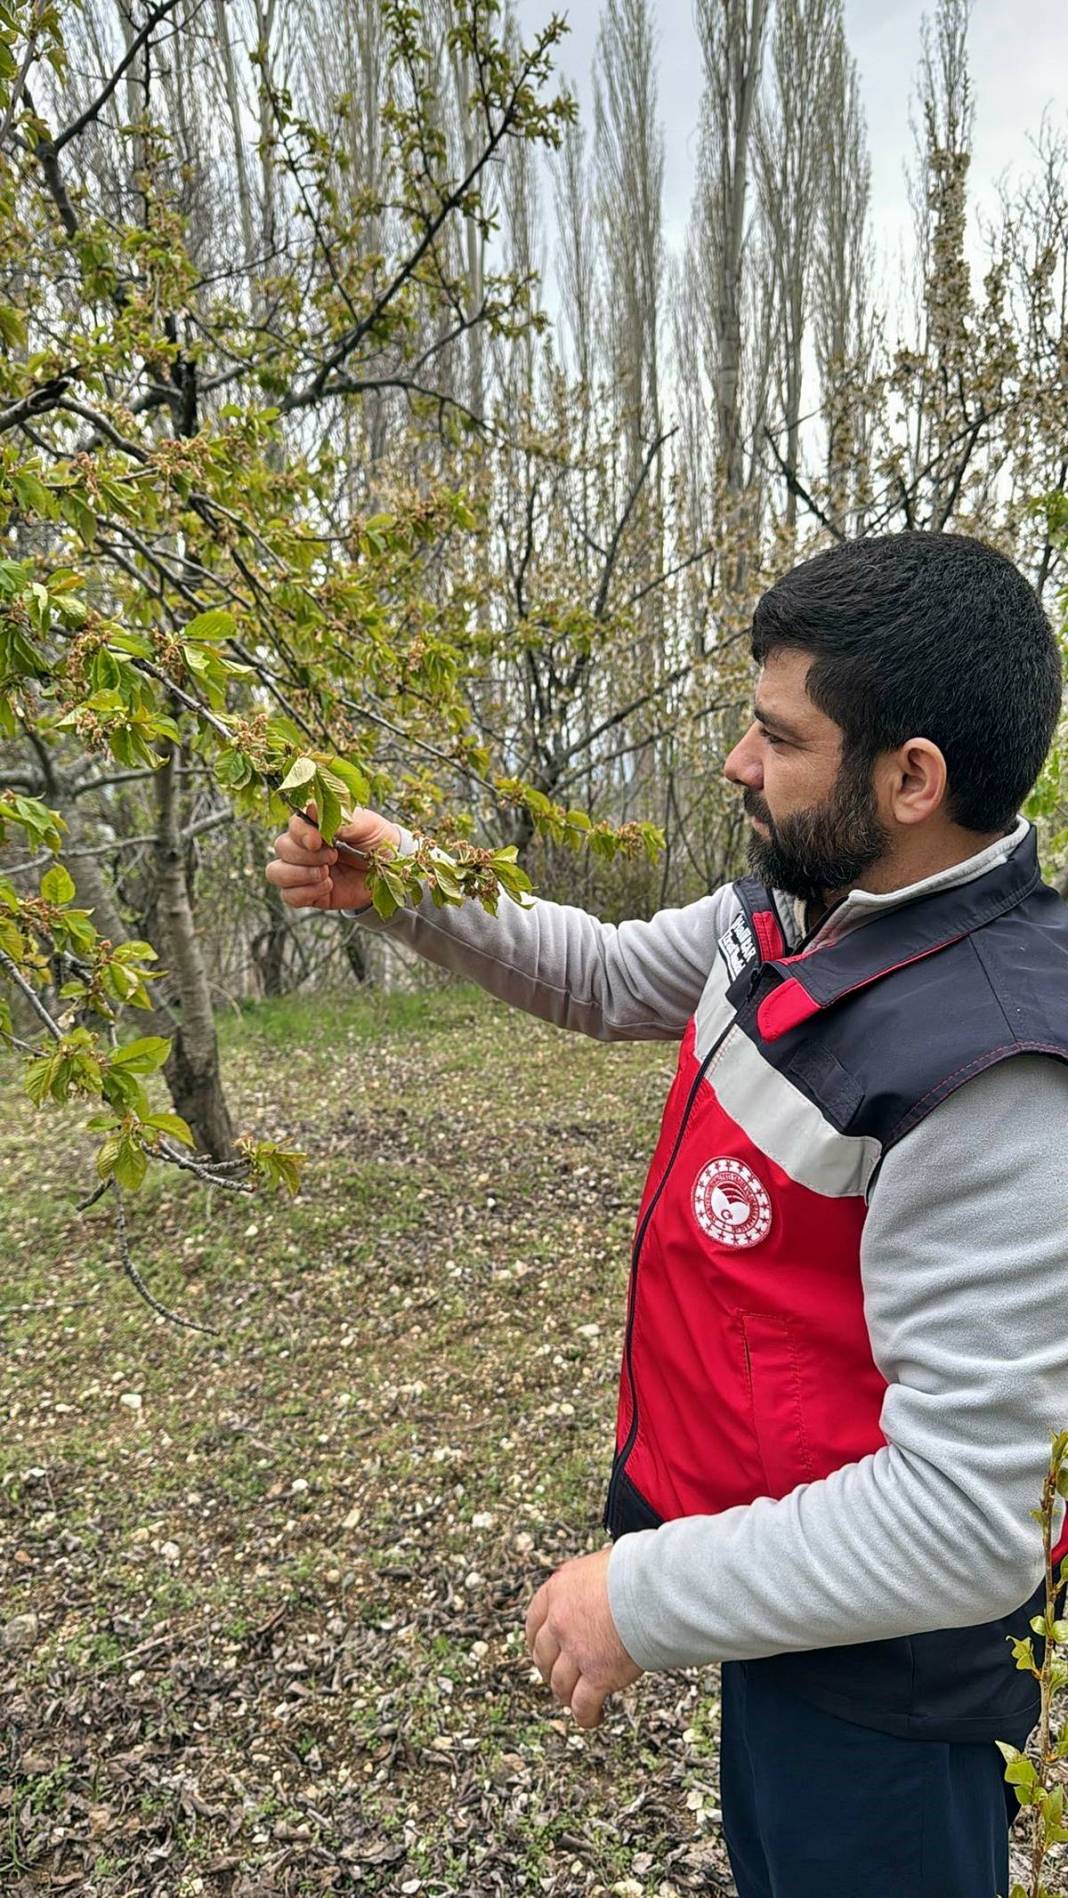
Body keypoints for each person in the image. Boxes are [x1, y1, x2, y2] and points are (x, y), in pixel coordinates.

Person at [266, 531, 1068, 1898]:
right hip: (781, 1611)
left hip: (889, 1705)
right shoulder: (802, 909)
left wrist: (642, 1596)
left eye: (778, 736)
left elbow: (962, 1519)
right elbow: (598, 973)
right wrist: (407, 879)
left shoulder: (994, 1073)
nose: (740, 767)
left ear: (911, 777)